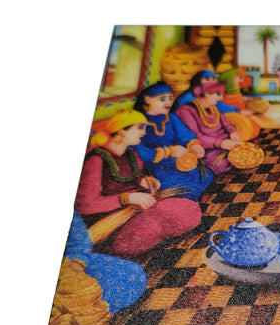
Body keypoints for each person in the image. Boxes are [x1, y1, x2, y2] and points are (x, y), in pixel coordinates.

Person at [75, 109, 202, 257]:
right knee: (150, 229)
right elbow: (85, 204)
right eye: (140, 128)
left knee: (190, 210)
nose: (144, 132)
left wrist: (146, 181)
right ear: (121, 131)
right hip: (112, 222)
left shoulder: (131, 153)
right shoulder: (96, 160)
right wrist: (127, 198)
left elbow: (134, 177)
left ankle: (157, 234)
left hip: (138, 209)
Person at [132, 81, 213, 200]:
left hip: (176, 161)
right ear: (147, 99)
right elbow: (139, 151)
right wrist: (169, 151)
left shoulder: (171, 117)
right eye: (162, 99)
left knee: (205, 175)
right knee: (183, 186)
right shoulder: (138, 121)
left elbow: (184, 135)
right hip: (154, 166)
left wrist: (194, 145)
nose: (168, 102)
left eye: (170, 98)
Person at [176, 80, 241, 173]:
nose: (221, 98)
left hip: (225, 142)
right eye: (218, 94)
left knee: (244, 153)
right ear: (206, 94)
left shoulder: (213, 107)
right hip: (207, 147)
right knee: (221, 163)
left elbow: (226, 125)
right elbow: (195, 136)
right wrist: (220, 143)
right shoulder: (186, 110)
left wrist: (232, 132)